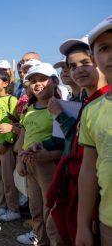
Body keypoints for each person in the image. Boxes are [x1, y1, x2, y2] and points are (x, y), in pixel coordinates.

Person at [46, 34, 108, 245]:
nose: (78, 70)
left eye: (85, 63)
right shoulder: (87, 104)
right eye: (72, 66)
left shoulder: (104, 102)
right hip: (77, 188)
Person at [15, 63, 63, 245]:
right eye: (33, 81)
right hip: (30, 164)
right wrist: (20, 161)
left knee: (49, 207)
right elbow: (24, 137)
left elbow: (64, 140)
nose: (37, 84)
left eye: (42, 79)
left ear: (54, 82)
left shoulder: (59, 108)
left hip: (48, 165)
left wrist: (48, 153)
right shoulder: (29, 110)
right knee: (35, 206)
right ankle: (40, 240)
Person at [77, 16, 112, 246]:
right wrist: (82, 226)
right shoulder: (92, 111)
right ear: (95, 58)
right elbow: (88, 171)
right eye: (105, 47)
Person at [0, 70, 20, 222]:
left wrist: (6, 143)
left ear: (5, 84)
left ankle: (12, 208)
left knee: (8, 178)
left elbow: (16, 124)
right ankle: (0, 206)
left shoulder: (12, 100)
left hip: (5, 146)